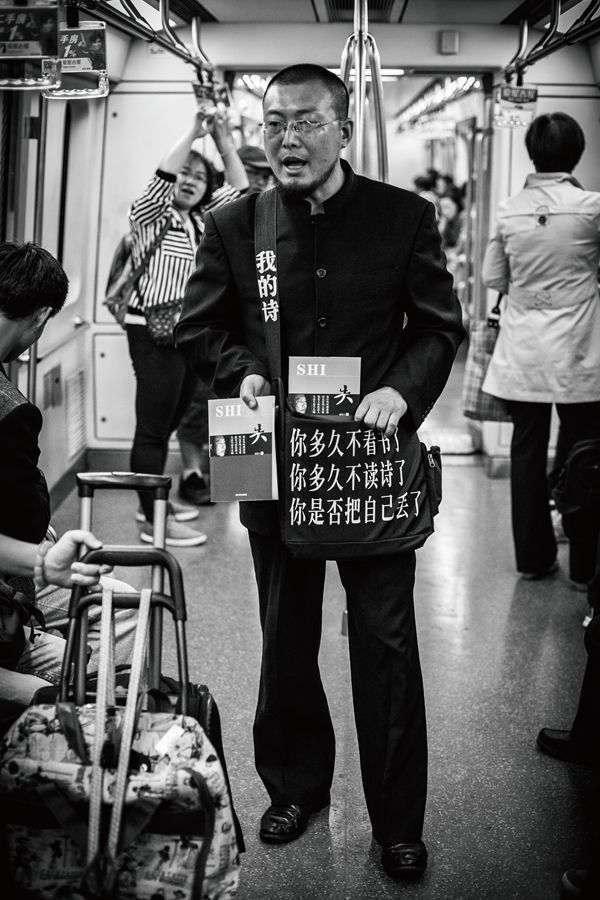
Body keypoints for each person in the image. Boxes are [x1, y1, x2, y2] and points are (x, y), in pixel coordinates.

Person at [175, 64, 464, 880]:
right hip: (268, 455)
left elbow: (438, 329)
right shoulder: (238, 225)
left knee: (385, 644)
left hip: (368, 461)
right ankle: (295, 786)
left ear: (343, 128)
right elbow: (199, 330)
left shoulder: (404, 218)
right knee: (285, 636)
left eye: (305, 122)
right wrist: (243, 373)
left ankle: (398, 821)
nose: (287, 139)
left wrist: (399, 394)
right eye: (273, 124)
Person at [0, 241, 137, 706]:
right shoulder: (11, 413)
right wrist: (41, 555)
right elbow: (28, 521)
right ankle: (99, 715)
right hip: (6, 596)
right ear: (40, 318)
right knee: (127, 607)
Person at [481, 112, 600, 584]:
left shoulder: (510, 209)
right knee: (585, 448)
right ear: (577, 153)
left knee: (527, 452)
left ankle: (533, 558)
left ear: (532, 153)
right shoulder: (592, 208)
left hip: (523, 351)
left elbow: (494, 278)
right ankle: (586, 563)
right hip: (580, 348)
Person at [125, 109, 248, 542]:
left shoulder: (199, 220)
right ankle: (152, 519)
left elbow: (241, 192)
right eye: (185, 174)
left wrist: (222, 138)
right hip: (151, 333)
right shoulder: (149, 215)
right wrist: (195, 131)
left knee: (172, 422)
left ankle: (153, 506)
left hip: (182, 336)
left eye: (200, 176)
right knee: (153, 429)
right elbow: (162, 175)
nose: (191, 181)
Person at [176, 143, 273, 508]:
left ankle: (237, 480)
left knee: (242, 401)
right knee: (198, 407)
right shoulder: (223, 216)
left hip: (246, 328)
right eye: (255, 172)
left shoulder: (272, 217)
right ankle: (193, 474)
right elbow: (241, 193)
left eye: (266, 173)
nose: (261, 180)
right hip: (210, 325)